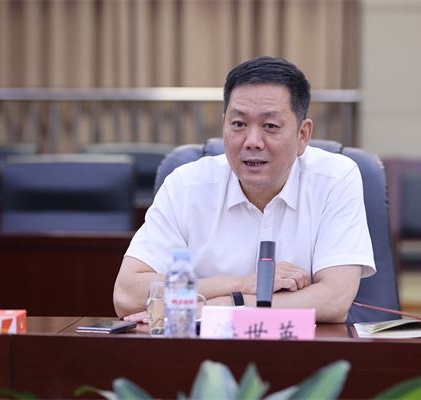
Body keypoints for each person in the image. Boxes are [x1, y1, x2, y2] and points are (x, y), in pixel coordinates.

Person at [113, 56, 375, 323]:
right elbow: (127, 295)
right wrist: (245, 284)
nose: (252, 142)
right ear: (224, 125)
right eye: (239, 124)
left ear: (303, 135)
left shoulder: (335, 179)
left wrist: (230, 305)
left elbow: (334, 300)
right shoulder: (186, 185)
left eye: (270, 126)